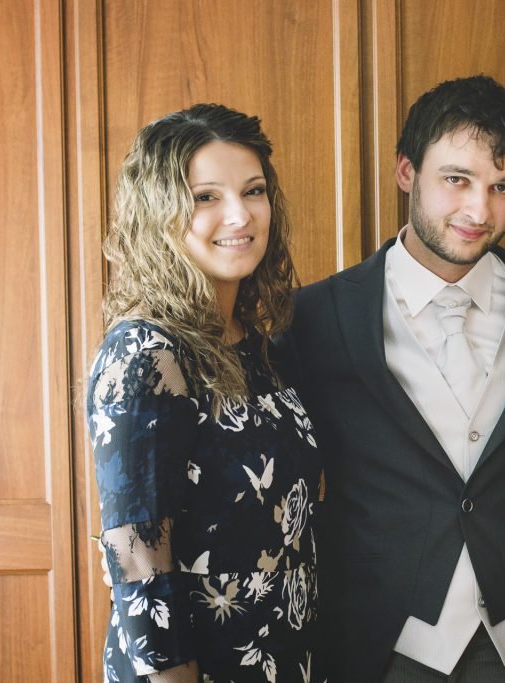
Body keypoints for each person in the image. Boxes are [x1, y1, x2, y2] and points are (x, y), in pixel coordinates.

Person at [288, 75, 505, 681]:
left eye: (503, 187)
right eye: (457, 179)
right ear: (407, 171)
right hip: (380, 644)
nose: (479, 211)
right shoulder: (317, 318)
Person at [87, 104, 324, 683]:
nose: (240, 214)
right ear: (159, 215)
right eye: (206, 197)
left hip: (286, 656)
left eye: (254, 191)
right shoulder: (145, 353)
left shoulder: (262, 347)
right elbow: (138, 559)